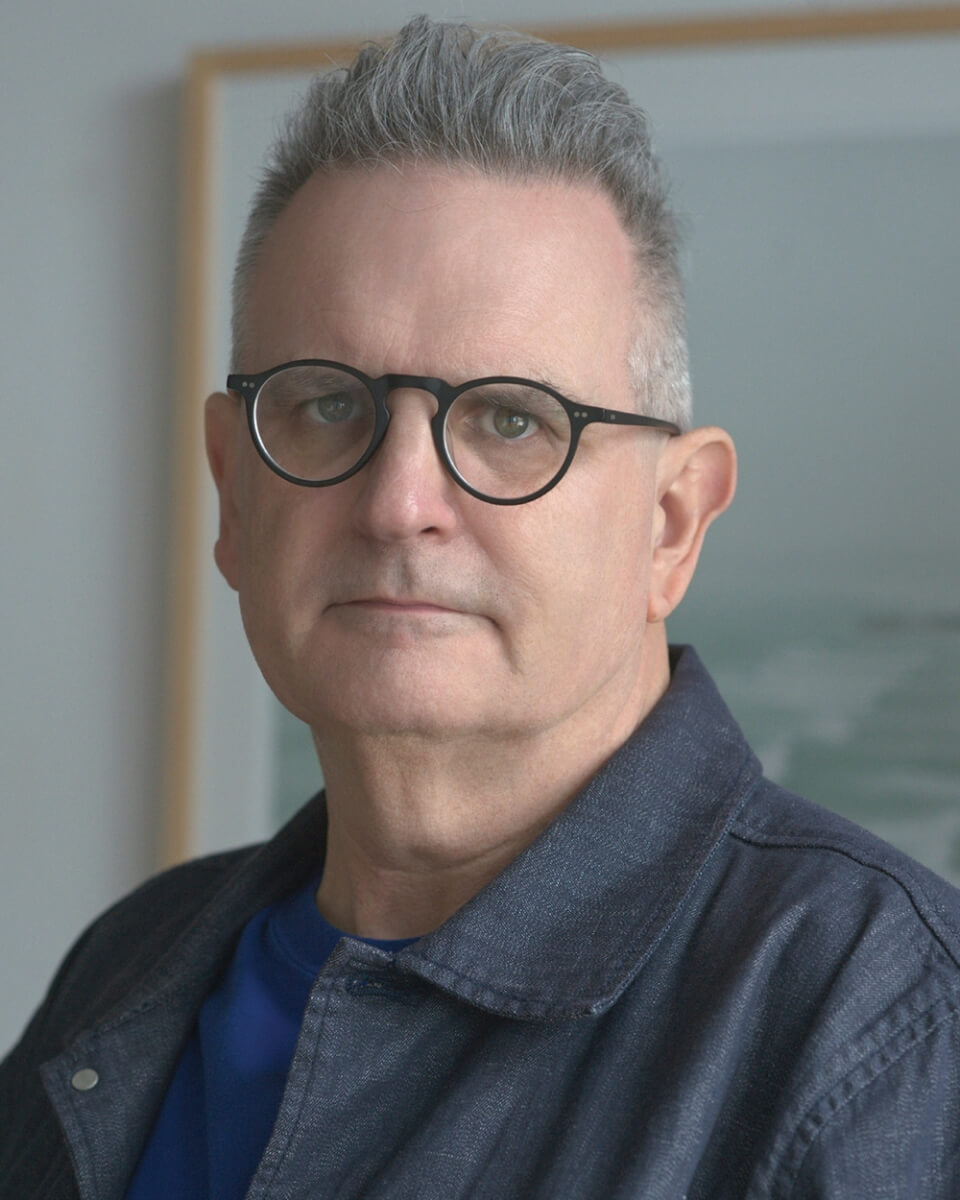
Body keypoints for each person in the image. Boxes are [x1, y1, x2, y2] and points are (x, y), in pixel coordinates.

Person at [3, 15, 960, 1199]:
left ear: (671, 523)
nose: (398, 503)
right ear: (232, 492)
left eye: (512, 420)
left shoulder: (885, 1037)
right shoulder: (129, 968)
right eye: (328, 406)